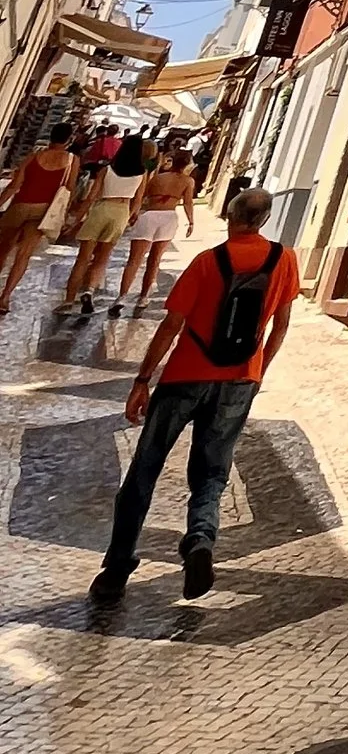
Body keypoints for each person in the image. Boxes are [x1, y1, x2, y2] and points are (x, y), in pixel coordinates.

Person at [90, 179, 299, 607]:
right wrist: (258, 372)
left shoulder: (208, 262)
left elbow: (171, 325)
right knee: (212, 473)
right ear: (264, 220)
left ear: (230, 217)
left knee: (145, 469)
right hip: (240, 379)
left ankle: (117, 567)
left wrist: (142, 379)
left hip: (185, 376)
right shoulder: (284, 260)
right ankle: (200, 540)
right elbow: (280, 324)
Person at [62, 122, 153, 319]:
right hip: (121, 212)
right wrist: (129, 218)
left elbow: (91, 197)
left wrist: (74, 222)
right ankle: (89, 290)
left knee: (83, 258)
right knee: (102, 258)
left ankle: (69, 300)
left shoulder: (107, 169)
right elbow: (138, 202)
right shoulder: (142, 173)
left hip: (101, 208)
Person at [0, 119, 82, 315]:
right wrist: (65, 215)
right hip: (44, 211)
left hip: (20, 206)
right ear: (69, 139)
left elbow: (14, 185)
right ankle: (4, 298)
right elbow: (69, 189)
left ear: (51, 136)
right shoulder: (72, 160)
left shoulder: (34, 157)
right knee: (23, 255)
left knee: (3, 249)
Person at [112, 136, 198, 316]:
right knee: (155, 259)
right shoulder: (187, 181)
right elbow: (188, 203)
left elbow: (143, 195)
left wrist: (134, 213)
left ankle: (121, 296)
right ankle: (143, 297)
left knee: (134, 260)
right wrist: (191, 221)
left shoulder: (158, 177)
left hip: (150, 215)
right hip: (169, 217)